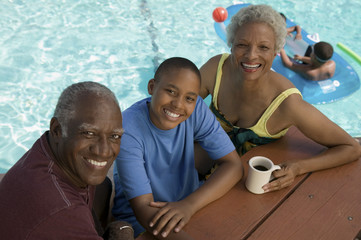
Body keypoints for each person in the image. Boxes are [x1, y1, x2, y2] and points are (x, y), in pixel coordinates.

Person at [199, 5, 361, 193]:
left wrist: (298, 167)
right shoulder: (217, 69)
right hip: (198, 168)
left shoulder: (286, 103)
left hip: (243, 190)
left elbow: (350, 147)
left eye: (263, 47)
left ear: (276, 50)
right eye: (242, 44)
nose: (251, 55)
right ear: (231, 43)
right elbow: (176, 106)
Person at [112, 57, 243, 239]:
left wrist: (189, 205)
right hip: (144, 219)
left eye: (189, 98)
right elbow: (143, 209)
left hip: (187, 203)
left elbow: (233, 166)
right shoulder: (129, 129)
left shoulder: (196, 109)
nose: (178, 104)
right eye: (171, 91)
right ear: (151, 87)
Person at [0, 82, 134, 240]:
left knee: (102, 186)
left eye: (114, 136)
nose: (104, 151)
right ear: (57, 129)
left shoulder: (46, 149)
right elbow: (61, 212)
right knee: (122, 231)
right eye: (89, 133)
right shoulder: (62, 210)